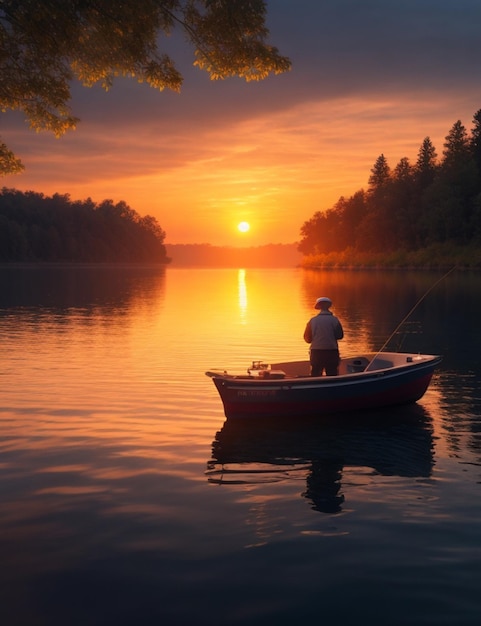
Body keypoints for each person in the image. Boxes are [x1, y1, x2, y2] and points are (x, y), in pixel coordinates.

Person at [303, 296, 344, 376]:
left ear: (318, 307)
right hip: (331, 351)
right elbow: (340, 336)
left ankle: (315, 387)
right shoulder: (335, 320)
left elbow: (307, 339)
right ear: (329, 306)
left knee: (315, 374)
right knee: (332, 374)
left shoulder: (312, 321)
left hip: (316, 352)